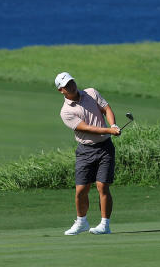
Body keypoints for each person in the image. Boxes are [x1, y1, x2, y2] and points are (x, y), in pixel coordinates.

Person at [54, 71, 122, 236]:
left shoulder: (91, 92)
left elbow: (106, 108)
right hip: (85, 150)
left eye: (72, 82)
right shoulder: (65, 112)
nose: (71, 85)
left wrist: (113, 125)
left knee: (102, 186)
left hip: (105, 147)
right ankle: (81, 222)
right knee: (81, 190)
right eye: (67, 85)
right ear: (61, 90)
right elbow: (88, 129)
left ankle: (105, 225)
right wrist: (108, 130)